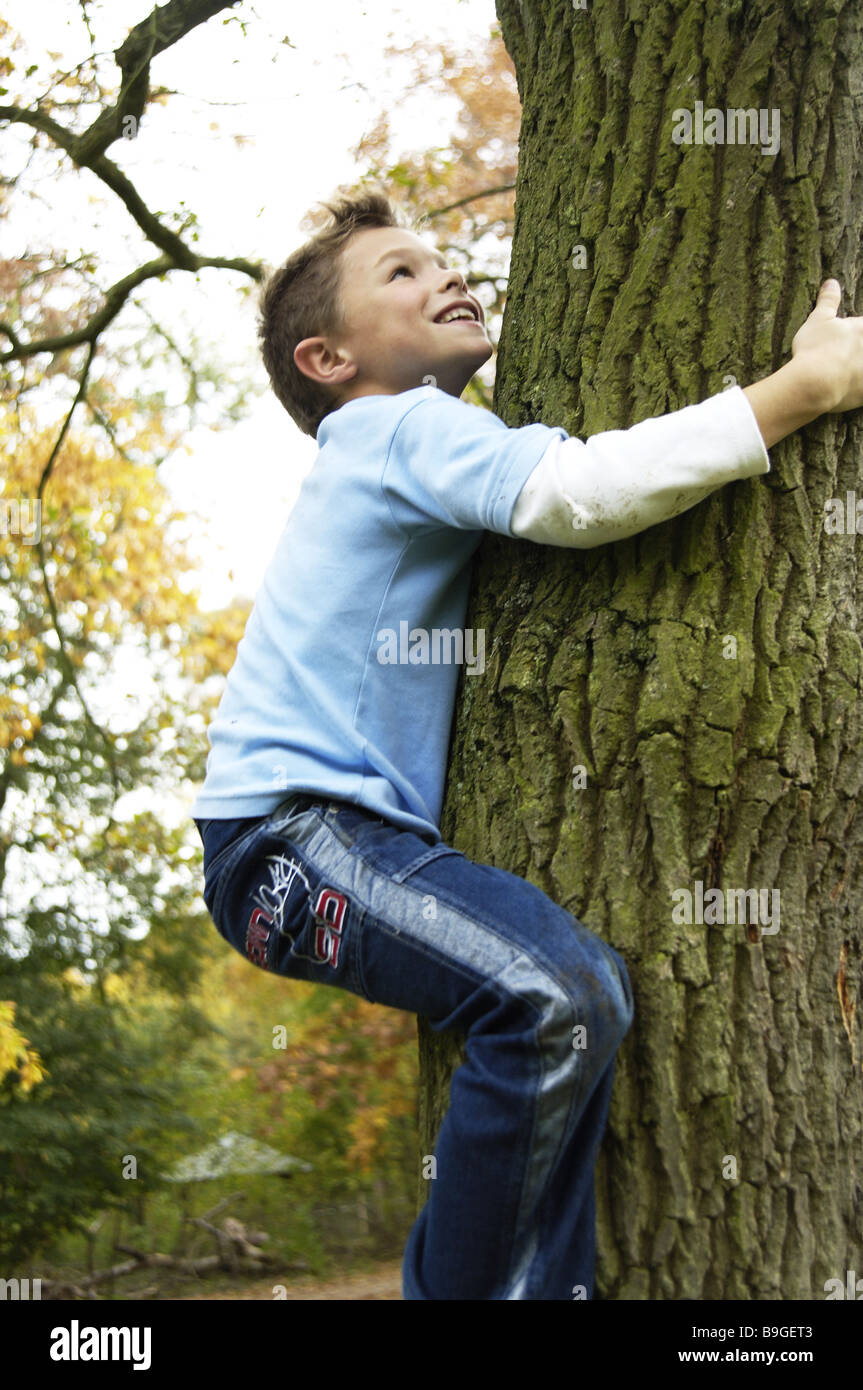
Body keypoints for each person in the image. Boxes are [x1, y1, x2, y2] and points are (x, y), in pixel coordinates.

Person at [191, 185, 863, 1299]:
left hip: (309, 842)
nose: (445, 272)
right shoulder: (396, 426)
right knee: (554, 994)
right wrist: (800, 389)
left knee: (562, 998)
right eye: (398, 273)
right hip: (292, 836)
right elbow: (581, 492)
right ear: (326, 359)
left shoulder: (411, 443)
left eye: (441, 256)